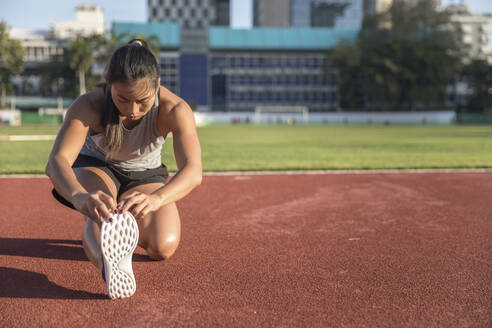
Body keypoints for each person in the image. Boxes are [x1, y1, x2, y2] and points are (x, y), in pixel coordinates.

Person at [45, 39, 202, 299]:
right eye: (122, 99)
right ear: (109, 85)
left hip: (145, 175)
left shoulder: (175, 109)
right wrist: (80, 197)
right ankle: (108, 264)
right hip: (98, 168)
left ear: (158, 84)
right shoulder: (89, 105)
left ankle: (124, 233)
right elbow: (57, 161)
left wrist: (156, 199)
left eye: (142, 101)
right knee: (101, 211)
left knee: (163, 247)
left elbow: (193, 170)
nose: (132, 110)